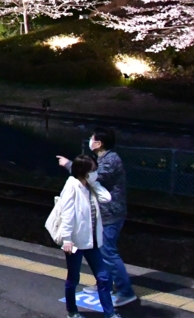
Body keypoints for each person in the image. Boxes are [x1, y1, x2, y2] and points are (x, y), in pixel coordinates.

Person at [57, 128, 135, 307]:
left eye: (92, 138)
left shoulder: (111, 160)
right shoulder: (103, 158)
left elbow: (92, 176)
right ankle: (105, 285)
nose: (90, 140)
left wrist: (69, 164)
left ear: (99, 143)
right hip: (104, 213)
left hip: (111, 213)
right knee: (102, 251)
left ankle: (125, 291)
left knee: (109, 253)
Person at [49, 156, 118, 318]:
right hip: (75, 242)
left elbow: (106, 198)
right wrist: (67, 239)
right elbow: (67, 214)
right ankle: (72, 311)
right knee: (73, 278)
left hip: (92, 241)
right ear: (84, 172)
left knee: (103, 277)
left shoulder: (91, 187)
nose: (96, 173)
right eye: (93, 170)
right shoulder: (71, 186)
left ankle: (110, 314)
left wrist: (94, 183)